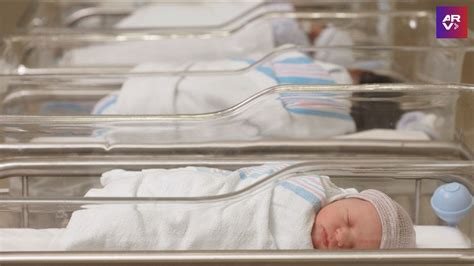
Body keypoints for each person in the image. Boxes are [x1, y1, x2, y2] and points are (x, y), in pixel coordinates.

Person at [51, 164, 415, 250]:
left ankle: (104, 227)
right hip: (218, 197)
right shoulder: (304, 187)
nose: (339, 236)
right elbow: (240, 180)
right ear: (340, 199)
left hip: (208, 239)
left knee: (152, 231)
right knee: (180, 193)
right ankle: (128, 194)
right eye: (348, 220)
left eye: (350, 247)